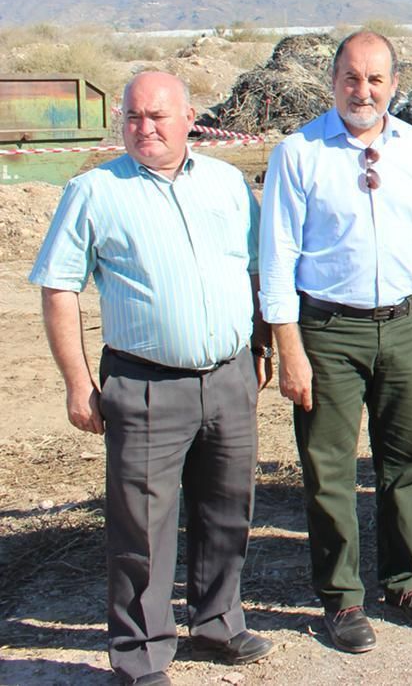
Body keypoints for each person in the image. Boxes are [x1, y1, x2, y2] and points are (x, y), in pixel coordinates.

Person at [31, 72, 274, 685]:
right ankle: (141, 654)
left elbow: (254, 268)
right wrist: (75, 381)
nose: (146, 128)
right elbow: (59, 287)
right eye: (135, 117)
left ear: (190, 116)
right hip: (143, 385)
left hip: (229, 376)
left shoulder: (225, 182)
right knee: (142, 524)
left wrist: (263, 344)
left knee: (227, 509)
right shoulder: (93, 191)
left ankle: (218, 622)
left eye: (159, 116)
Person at [259, 30, 412, 653]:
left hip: (401, 324)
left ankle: (404, 582)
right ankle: (342, 599)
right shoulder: (298, 153)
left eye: (376, 79)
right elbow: (277, 258)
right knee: (329, 469)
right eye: (351, 78)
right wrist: (288, 347)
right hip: (326, 331)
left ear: (395, 85)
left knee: (405, 463)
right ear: (333, 81)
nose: (363, 90)